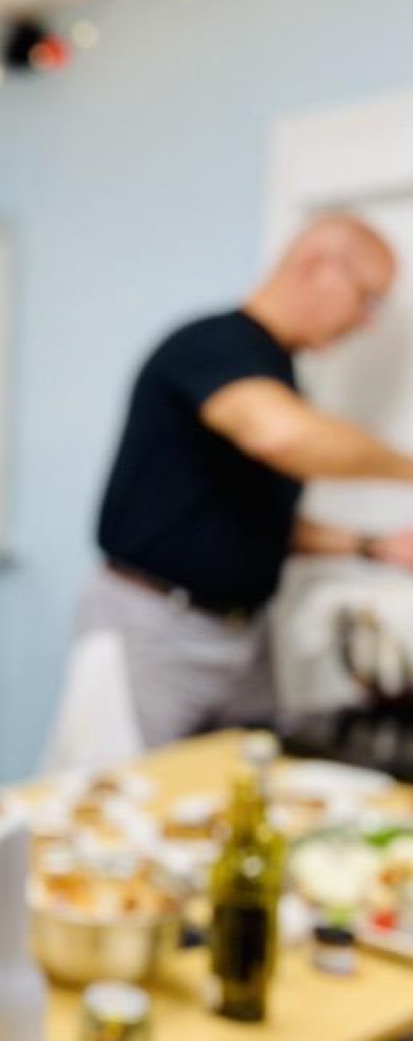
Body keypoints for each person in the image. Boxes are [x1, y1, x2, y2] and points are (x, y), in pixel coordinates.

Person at [82, 212, 413, 748]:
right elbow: (282, 436)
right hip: (159, 631)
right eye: (368, 298)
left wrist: (372, 547)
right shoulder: (212, 346)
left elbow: (249, 519)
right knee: (126, 804)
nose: (366, 322)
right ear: (318, 268)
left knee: (250, 790)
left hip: (244, 638)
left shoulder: (277, 371)